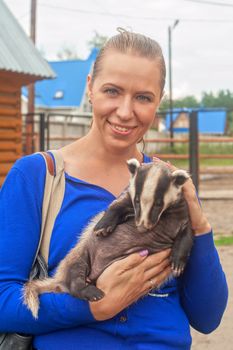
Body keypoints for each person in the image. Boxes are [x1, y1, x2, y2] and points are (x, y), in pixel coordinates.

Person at [0, 29, 228, 350]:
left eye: (143, 97)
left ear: (158, 101)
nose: (125, 111)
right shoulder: (37, 177)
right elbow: (2, 301)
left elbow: (208, 317)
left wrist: (200, 226)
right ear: (90, 87)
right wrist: (94, 306)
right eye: (112, 91)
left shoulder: (169, 185)